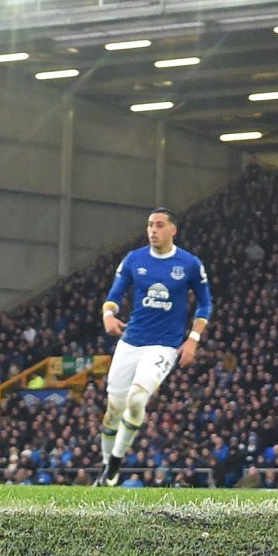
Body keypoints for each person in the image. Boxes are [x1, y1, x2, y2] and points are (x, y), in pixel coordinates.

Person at [95, 207, 212, 487]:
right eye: (149, 225)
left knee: (137, 400)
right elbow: (114, 295)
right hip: (130, 342)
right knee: (113, 411)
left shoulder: (189, 264)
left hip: (164, 347)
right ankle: (105, 468)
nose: (152, 231)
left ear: (173, 230)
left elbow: (205, 303)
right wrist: (108, 315)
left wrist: (193, 339)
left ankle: (115, 464)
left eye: (159, 225)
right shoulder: (134, 260)